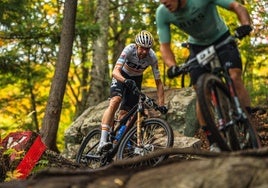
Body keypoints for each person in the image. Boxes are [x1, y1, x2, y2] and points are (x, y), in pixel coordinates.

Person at [156, 0, 253, 151]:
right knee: (200, 90)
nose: (163, 2)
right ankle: (213, 140)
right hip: (197, 47)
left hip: (221, 38)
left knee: (234, 77)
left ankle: (249, 123)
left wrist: (245, 24)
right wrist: (172, 66)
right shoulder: (163, 13)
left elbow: (236, 6)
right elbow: (165, 46)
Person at [97, 30, 167, 153]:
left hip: (136, 79)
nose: (144, 51)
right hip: (121, 75)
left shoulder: (152, 57)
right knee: (115, 101)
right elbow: (115, 71)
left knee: (126, 113)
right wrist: (124, 80)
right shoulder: (129, 49)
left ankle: (118, 141)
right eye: (142, 48)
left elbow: (159, 83)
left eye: (147, 49)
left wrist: (161, 104)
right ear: (136, 45)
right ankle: (102, 141)